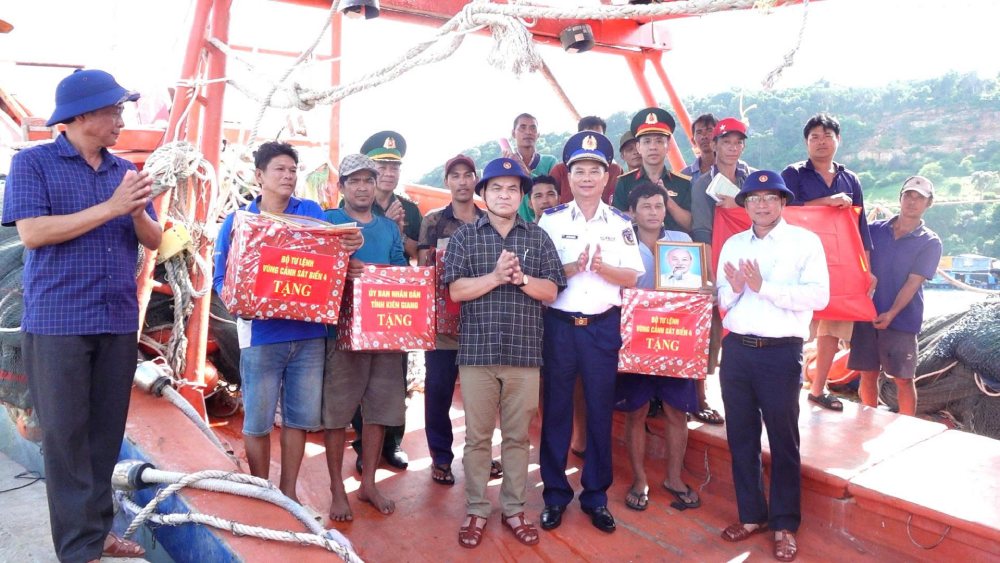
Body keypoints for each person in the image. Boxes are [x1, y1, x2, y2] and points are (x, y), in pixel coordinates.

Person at [2, 68, 162, 562]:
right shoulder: (33, 164)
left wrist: (136, 213)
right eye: (114, 111)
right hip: (58, 324)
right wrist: (112, 208)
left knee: (103, 437)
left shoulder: (125, 173)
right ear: (82, 116)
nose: (120, 120)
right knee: (67, 441)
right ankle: (78, 551)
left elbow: (155, 241)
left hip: (115, 320)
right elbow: (33, 234)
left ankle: (97, 534)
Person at [215, 142, 356, 504]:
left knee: (298, 419)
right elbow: (221, 278)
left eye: (293, 170)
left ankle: (288, 492)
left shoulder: (310, 212)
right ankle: (263, 490)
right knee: (257, 422)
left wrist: (351, 240)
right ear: (259, 175)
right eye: (279, 169)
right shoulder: (239, 221)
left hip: (309, 335)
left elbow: (330, 255)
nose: (288, 176)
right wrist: (240, 302)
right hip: (260, 335)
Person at [444, 157, 566, 549]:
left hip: (525, 354)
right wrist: (496, 277)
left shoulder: (537, 237)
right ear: (483, 193)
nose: (504, 194)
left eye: (512, 188)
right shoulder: (466, 237)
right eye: (496, 188)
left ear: (521, 196)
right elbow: (455, 291)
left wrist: (522, 279)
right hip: (477, 354)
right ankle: (477, 509)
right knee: (477, 439)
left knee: (517, 439)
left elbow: (552, 292)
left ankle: (514, 508)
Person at [716, 171, 829, 562]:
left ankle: (784, 523)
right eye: (754, 199)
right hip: (737, 353)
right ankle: (751, 515)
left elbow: (819, 294)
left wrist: (764, 287)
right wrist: (734, 287)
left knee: (784, 440)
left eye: (770, 198)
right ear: (744, 204)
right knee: (741, 438)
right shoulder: (732, 244)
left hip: (781, 353)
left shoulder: (805, 242)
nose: (761, 205)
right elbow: (724, 300)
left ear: (783, 203)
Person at [538, 131, 643, 534]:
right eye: (578, 170)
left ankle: (596, 496)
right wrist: (571, 269)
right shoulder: (550, 221)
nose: (586, 177)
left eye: (594, 170)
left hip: (602, 328)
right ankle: (555, 494)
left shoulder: (620, 224)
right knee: (557, 412)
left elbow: (632, 277)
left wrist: (600, 269)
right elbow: (540, 276)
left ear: (607, 177)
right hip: (559, 327)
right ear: (569, 176)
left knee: (600, 412)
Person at [322, 154, 409, 521]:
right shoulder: (328, 221)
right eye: (354, 181)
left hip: (384, 330)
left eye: (368, 181)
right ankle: (336, 487)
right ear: (342, 187)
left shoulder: (388, 228)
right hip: (340, 332)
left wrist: (381, 273)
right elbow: (316, 268)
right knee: (337, 412)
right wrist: (342, 268)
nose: (362, 187)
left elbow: (402, 270)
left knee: (379, 409)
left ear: (376, 186)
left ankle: (368, 482)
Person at [615, 182, 701, 513]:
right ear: (632, 212)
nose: (654, 212)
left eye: (659, 206)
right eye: (646, 206)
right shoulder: (620, 244)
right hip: (634, 338)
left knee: (677, 410)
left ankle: (674, 478)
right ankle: (640, 479)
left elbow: (695, 286)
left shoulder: (681, 242)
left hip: (675, 338)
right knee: (635, 410)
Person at [781, 113, 873, 412]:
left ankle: (818, 389)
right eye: (814, 137)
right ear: (806, 143)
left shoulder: (851, 179)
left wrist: (867, 270)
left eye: (827, 136)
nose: (821, 142)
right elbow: (783, 210)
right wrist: (827, 202)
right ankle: (785, 385)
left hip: (840, 262)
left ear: (838, 140)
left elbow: (861, 228)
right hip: (798, 262)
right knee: (794, 323)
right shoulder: (793, 173)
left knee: (832, 328)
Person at [351, 130, 419, 469]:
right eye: (382, 164)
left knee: (395, 377)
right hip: (357, 306)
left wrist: (399, 231)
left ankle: (392, 442)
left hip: (394, 305)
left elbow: (417, 255)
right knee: (358, 379)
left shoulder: (410, 209)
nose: (389, 171)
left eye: (394, 165)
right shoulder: (351, 203)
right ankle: (364, 445)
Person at [849, 176, 942, 416]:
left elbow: (913, 283)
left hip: (902, 320)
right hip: (865, 316)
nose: (912, 201)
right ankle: (866, 422)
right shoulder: (873, 230)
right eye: (908, 195)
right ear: (900, 198)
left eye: (919, 198)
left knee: (902, 378)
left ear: (928, 203)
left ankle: (907, 431)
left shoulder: (930, 242)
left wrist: (891, 313)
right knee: (867, 375)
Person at [418, 154, 484, 486]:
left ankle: (480, 455)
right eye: (455, 176)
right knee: (439, 392)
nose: (461, 181)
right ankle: (441, 457)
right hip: (443, 325)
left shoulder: (491, 220)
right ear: (447, 182)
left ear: (476, 179)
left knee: (482, 396)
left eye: (467, 175)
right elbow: (425, 268)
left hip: (482, 325)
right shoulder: (433, 221)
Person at [690, 116, 755, 425]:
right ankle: (699, 398)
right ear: (713, 145)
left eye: (737, 142)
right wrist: (710, 276)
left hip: (750, 265)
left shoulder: (753, 179)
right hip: (717, 264)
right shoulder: (703, 183)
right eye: (726, 142)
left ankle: (743, 399)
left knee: (744, 332)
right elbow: (702, 231)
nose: (732, 148)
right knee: (709, 336)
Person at [612, 107, 692, 234]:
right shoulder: (625, 182)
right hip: (636, 249)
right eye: (647, 141)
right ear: (639, 147)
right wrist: (642, 213)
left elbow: (691, 225)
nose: (653, 147)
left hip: (674, 251)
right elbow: (615, 221)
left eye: (659, 141)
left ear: (668, 146)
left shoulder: (683, 183)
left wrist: (667, 201)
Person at [550, 115, 623, 205]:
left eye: (598, 137)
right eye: (579, 172)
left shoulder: (615, 170)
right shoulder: (559, 171)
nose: (593, 141)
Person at [506, 113, 559, 222]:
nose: (528, 132)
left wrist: (528, 173)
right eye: (523, 127)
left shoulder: (550, 161)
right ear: (513, 133)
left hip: (547, 225)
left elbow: (556, 193)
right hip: (515, 228)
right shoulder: (507, 165)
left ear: (538, 134)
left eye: (533, 128)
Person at [680, 113, 718, 186]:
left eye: (709, 130)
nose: (704, 136)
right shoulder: (685, 176)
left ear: (720, 136)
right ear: (693, 141)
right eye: (699, 132)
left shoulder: (737, 168)